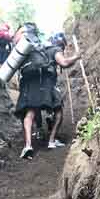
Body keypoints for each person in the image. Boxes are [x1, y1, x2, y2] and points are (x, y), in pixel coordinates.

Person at [14, 25, 81, 159]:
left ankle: (28, 145)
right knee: (58, 112)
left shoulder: (26, 52)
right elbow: (65, 63)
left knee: (30, 113)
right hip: (47, 85)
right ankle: (51, 141)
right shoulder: (53, 50)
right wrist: (77, 57)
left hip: (29, 83)